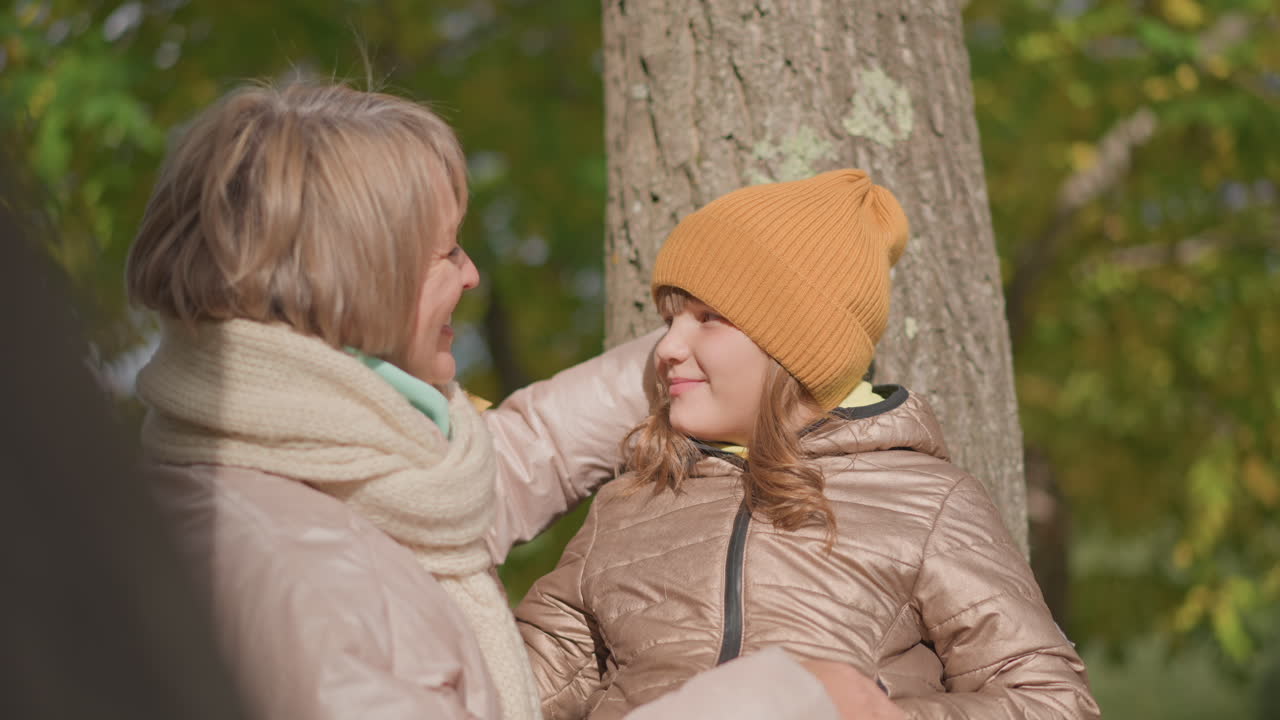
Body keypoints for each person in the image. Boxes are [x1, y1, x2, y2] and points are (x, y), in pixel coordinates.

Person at [126, 81, 869, 720]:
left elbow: (516, 457)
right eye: (447, 252)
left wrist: (728, 342)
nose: (473, 272)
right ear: (361, 283)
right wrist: (783, 699)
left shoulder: (319, 472)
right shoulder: (287, 579)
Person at [516, 169, 1103, 719]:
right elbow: (510, 687)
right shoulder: (629, 503)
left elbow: (1051, 701)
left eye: (707, 317)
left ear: (795, 346)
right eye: (670, 320)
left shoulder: (926, 501)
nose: (667, 347)